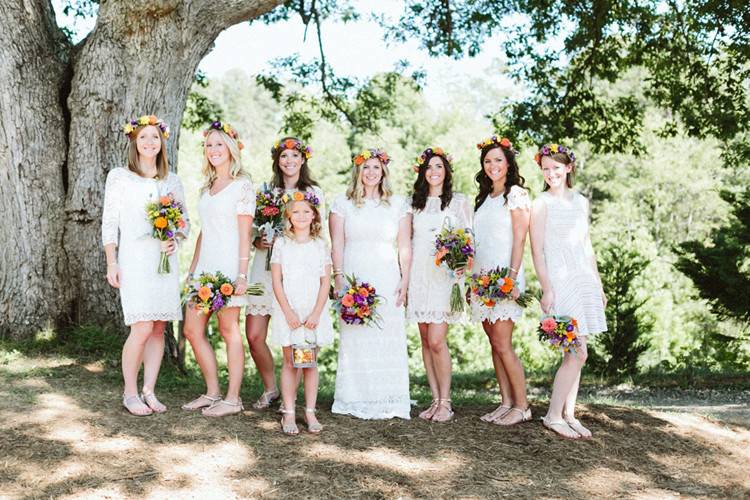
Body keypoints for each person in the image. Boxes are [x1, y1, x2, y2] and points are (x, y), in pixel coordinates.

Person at [103, 114, 189, 416]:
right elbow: (110, 223)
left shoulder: (171, 180)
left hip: (163, 262)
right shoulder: (119, 176)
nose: (150, 142)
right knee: (140, 326)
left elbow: (184, 223)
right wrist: (111, 262)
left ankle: (149, 391)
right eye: (144, 137)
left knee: (158, 327)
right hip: (134, 260)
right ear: (134, 142)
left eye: (155, 137)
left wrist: (175, 239)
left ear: (162, 142)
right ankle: (129, 393)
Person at [529, 144, 607, 439]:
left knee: (577, 353)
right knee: (577, 351)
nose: (551, 174)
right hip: (559, 282)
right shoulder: (541, 203)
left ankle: (568, 413)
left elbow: (587, 246)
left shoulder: (581, 201)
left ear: (568, 168)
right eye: (546, 169)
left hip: (582, 279)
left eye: (556, 168)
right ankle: (552, 416)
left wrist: (597, 284)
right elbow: (536, 251)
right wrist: (546, 288)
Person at [329, 148, 412, 420]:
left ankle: (388, 397)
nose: (371, 173)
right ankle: (354, 397)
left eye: (376, 167)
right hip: (354, 273)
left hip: (387, 276)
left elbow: (404, 245)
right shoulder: (342, 204)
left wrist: (405, 279)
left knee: (386, 334)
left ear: (384, 171)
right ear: (358, 171)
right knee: (356, 335)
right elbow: (337, 242)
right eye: (366, 167)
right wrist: (339, 277)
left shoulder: (398, 204)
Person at [181, 121, 254, 417]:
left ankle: (233, 399)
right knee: (191, 329)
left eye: (219, 144)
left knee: (228, 329)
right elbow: (203, 232)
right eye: (209, 145)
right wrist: (192, 268)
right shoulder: (207, 188)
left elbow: (244, 234)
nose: (213, 150)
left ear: (231, 148)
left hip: (228, 267)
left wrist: (241, 275)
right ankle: (212, 392)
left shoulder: (243, 186)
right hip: (204, 269)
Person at [246, 137, 324, 410]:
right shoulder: (266, 190)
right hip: (262, 269)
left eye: (294, 156)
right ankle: (272, 388)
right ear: (277, 161)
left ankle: (291, 399)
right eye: (283, 156)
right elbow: (251, 228)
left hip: (296, 274)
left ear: (303, 160)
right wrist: (258, 241)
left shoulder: (313, 192)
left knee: (296, 333)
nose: (289, 161)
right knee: (254, 336)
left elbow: (318, 232)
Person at [407, 147, 471, 422]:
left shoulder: (458, 202)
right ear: (422, 172)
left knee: (437, 340)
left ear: (447, 171)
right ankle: (434, 400)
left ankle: (446, 402)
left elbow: (469, 240)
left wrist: (462, 263)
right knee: (424, 339)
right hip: (419, 275)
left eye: (439, 167)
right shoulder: (414, 204)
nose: (434, 172)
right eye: (429, 167)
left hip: (444, 277)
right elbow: (406, 241)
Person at [471, 136, 532, 426]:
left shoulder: (516, 194)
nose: (492, 165)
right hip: (482, 279)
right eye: (487, 161)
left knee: (503, 342)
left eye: (498, 160)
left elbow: (520, 238)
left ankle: (522, 406)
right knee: (493, 342)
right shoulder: (484, 198)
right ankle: (506, 401)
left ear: (508, 163)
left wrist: (511, 276)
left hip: (505, 277)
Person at [270, 192, 333, 435]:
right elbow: (277, 281)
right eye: (296, 211)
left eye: (307, 211)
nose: (301, 216)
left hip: (312, 312)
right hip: (290, 311)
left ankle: (309, 411)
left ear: (314, 215)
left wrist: (317, 313)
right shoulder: (282, 244)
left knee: (309, 363)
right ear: (288, 215)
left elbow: (325, 282)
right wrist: (288, 312)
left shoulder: (320, 246)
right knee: (290, 362)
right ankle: (288, 412)